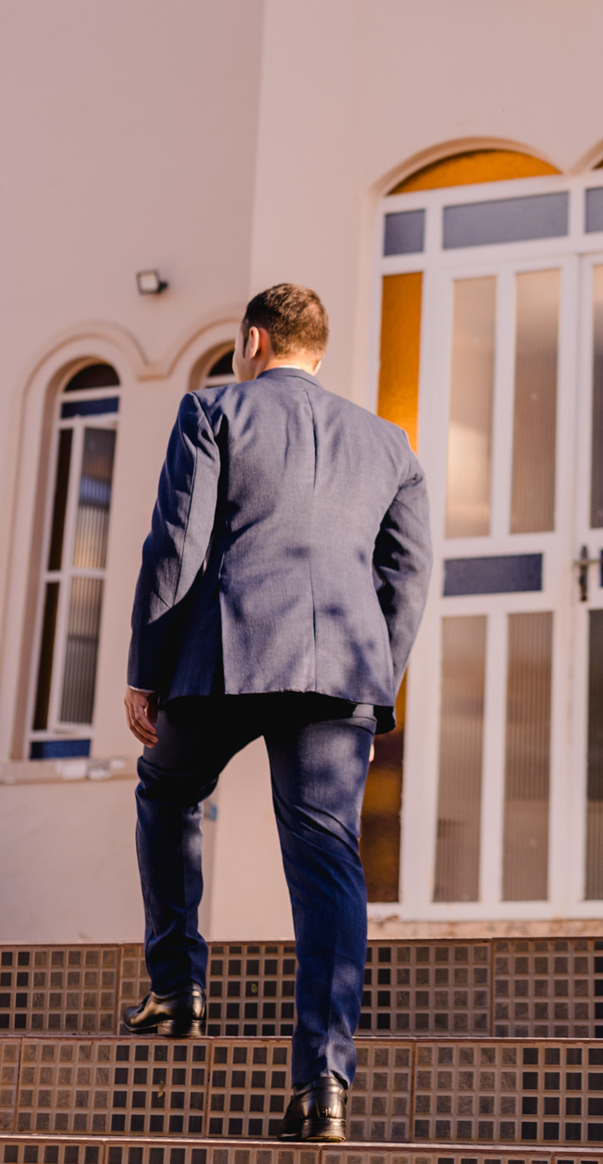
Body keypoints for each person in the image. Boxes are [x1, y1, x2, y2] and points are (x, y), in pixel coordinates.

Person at [121, 282, 432, 1143]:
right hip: (342, 671)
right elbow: (409, 574)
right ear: (317, 350)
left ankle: (177, 987)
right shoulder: (389, 443)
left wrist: (146, 669)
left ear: (255, 341)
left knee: (167, 790)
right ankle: (322, 1083)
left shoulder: (212, 411)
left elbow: (175, 543)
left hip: (226, 656)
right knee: (327, 857)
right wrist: (379, 671)